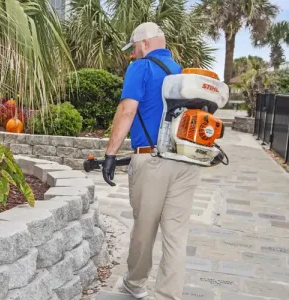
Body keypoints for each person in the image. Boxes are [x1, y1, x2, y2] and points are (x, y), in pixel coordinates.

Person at [102, 22, 201, 300]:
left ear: (144, 43)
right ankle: (168, 295)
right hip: (186, 163)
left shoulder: (141, 67)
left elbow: (127, 110)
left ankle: (135, 284)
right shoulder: (182, 73)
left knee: (144, 228)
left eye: (133, 48)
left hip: (153, 160)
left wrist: (111, 153)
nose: (132, 54)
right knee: (176, 234)